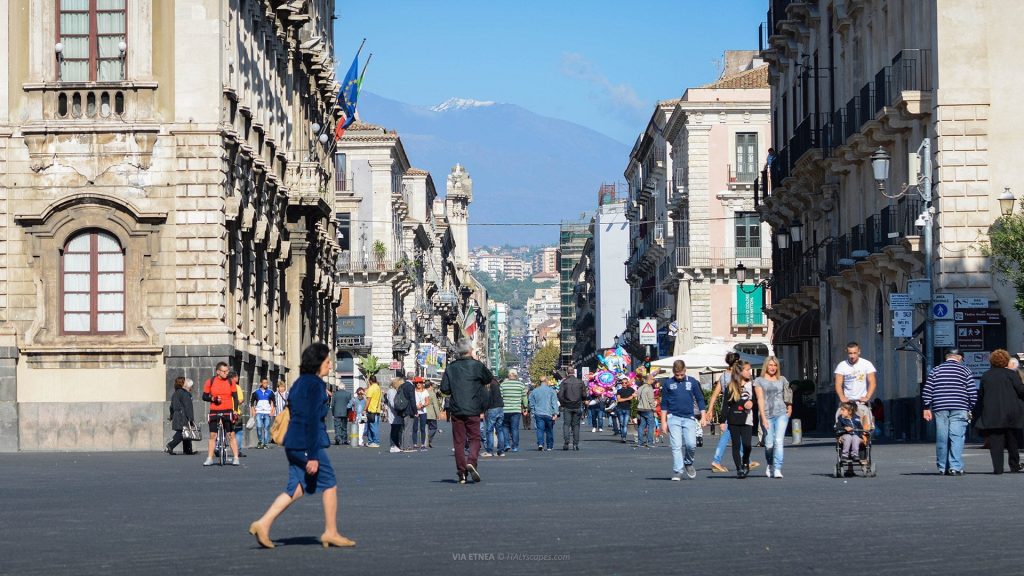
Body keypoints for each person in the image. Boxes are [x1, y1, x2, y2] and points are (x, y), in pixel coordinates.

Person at [248, 343, 355, 549]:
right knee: (329, 483)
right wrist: (313, 455)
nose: (330, 365)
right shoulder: (315, 385)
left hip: (293, 442)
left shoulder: (298, 383)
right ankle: (331, 532)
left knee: (296, 487)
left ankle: (263, 523)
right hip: (306, 443)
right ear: (318, 363)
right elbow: (312, 419)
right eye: (327, 361)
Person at [440, 338, 494, 484]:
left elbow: (444, 389)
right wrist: (477, 362)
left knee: (459, 441)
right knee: (475, 438)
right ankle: (471, 461)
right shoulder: (477, 365)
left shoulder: (451, 367)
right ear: (470, 350)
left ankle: (461, 473)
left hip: (457, 409)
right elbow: (488, 378)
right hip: (473, 408)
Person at [921, 349, 976, 475]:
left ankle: (942, 467)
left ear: (947, 357)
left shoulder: (936, 370)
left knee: (942, 436)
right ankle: (954, 467)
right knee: (956, 437)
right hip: (960, 407)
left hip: (940, 407)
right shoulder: (965, 370)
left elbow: (928, 389)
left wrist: (926, 407)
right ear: (960, 358)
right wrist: (970, 407)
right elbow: (972, 392)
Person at [703, 352, 760, 473]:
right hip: (734, 410)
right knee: (729, 437)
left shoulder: (723, 376)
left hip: (729, 410)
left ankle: (745, 460)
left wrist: (710, 409)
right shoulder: (737, 376)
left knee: (735, 438)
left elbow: (715, 394)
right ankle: (717, 460)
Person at [974, 349, 1024, 474]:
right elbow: (1021, 391)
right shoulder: (1011, 374)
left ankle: (998, 468)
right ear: (1006, 361)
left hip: (993, 414)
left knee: (996, 442)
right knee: (1012, 441)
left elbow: (981, 395)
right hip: (1012, 413)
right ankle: (1014, 465)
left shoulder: (986, 375)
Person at [659, 360, 705, 480]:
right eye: (677, 375)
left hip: (689, 417)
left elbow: (700, 398)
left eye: (681, 374)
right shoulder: (668, 383)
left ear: (685, 370)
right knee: (676, 445)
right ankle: (678, 471)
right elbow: (664, 404)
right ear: (673, 372)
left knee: (691, 444)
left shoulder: (692, 382)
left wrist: (703, 416)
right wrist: (663, 422)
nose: (679, 377)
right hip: (673, 417)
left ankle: (688, 463)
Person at [753, 356, 792, 479]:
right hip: (767, 415)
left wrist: (789, 407)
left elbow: (788, 394)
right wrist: (763, 417)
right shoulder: (759, 381)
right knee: (769, 443)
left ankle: (778, 468)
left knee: (779, 441)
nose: (773, 367)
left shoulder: (782, 379)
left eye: (775, 365)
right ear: (766, 366)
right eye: (770, 365)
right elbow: (760, 399)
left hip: (781, 413)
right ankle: (770, 464)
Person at [202, 362, 240, 466]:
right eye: (224, 371)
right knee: (212, 435)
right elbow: (204, 397)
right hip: (214, 410)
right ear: (218, 371)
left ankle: (236, 458)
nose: (226, 373)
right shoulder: (210, 381)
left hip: (228, 410)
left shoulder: (230, 381)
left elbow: (235, 397)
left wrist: (235, 410)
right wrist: (213, 399)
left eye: (227, 371)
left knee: (231, 434)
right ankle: (209, 458)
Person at [723, 361, 755, 479]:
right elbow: (725, 405)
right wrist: (722, 420)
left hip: (747, 419)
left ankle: (745, 461)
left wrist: (752, 402)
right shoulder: (731, 386)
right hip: (734, 419)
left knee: (747, 445)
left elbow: (757, 399)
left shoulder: (752, 385)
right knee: (736, 445)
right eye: (747, 370)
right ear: (740, 371)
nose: (750, 372)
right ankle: (739, 469)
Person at [834, 341, 876, 428]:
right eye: (850, 353)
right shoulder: (842, 365)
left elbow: (872, 382)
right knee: (839, 417)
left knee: (865, 425)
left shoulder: (866, 364)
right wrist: (842, 397)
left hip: (861, 402)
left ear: (859, 352)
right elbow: (838, 384)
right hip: (847, 402)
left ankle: (865, 435)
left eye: (854, 353)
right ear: (847, 352)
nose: (852, 356)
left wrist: (867, 397)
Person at [166, 377, 197, 455]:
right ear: (183, 384)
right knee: (182, 432)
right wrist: (191, 419)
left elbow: (171, 407)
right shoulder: (185, 393)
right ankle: (170, 445)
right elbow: (188, 407)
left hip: (177, 414)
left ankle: (188, 450)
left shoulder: (175, 393)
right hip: (183, 415)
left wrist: (171, 415)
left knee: (186, 432)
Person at [500, 369, 529, 453]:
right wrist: (525, 407)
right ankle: (515, 446)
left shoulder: (503, 385)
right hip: (516, 410)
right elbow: (524, 397)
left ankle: (507, 444)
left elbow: (500, 397)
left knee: (505, 427)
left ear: (508, 375)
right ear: (516, 376)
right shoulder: (520, 385)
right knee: (515, 428)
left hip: (505, 410)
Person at [557, 370, 587, 451]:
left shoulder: (564, 382)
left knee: (566, 424)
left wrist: (563, 403)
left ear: (567, 373)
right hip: (577, 405)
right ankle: (575, 444)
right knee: (576, 425)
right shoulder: (580, 382)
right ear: (574, 373)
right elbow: (584, 395)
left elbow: (560, 395)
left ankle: (566, 442)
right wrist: (581, 399)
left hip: (567, 406)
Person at [529, 376, 559, 450]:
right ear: (546, 381)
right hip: (549, 413)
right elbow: (554, 403)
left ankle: (540, 444)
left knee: (540, 429)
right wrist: (556, 413)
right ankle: (549, 446)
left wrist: (533, 411)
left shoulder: (535, 391)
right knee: (549, 430)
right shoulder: (551, 391)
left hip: (538, 413)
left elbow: (531, 402)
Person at [250, 378, 277, 449]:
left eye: (266, 383)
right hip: (259, 412)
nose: (266, 384)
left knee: (266, 428)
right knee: (259, 427)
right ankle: (260, 442)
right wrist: (253, 410)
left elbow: (274, 402)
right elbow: (251, 402)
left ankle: (266, 443)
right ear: (261, 383)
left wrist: (273, 411)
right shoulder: (256, 392)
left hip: (267, 412)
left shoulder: (270, 392)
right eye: (264, 383)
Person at [482, 378, 506, 457]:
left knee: (489, 430)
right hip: (500, 408)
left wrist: (483, 409)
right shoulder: (496, 384)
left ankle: (489, 451)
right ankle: (501, 451)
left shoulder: (488, 386)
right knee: (500, 430)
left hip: (492, 409)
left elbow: (486, 399)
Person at [635, 374, 657, 448]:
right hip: (648, 408)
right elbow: (651, 400)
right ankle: (650, 442)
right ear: (649, 379)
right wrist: (654, 409)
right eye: (653, 379)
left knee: (641, 425)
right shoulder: (649, 388)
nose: (654, 380)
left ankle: (640, 442)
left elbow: (638, 398)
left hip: (640, 408)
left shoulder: (640, 388)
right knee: (651, 426)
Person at [386, 378, 406, 453]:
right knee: (395, 430)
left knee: (398, 430)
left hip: (397, 415)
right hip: (394, 414)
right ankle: (393, 445)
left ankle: (397, 445)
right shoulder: (391, 391)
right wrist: (400, 408)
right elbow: (393, 403)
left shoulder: (395, 391)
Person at [230, 373, 247, 458]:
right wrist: (242, 400)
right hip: (236, 412)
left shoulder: (225, 386)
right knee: (238, 431)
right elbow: (240, 400)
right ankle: (238, 450)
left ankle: (219, 447)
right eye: (237, 377)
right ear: (234, 377)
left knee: (226, 431)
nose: (238, 378)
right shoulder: (237, 387)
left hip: (226, 411)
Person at [614, 376, 635, 444]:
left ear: (627, 383)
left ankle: (624, 437)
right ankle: (622, 436)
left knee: (625, 424)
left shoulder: (631, 389)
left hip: (627, 409)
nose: (624, 384)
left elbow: (636, 394)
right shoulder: (619, 390)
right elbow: (619, 400)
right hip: (620, 409)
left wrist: (633, 396)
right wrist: (628, 398)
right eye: (622, 383)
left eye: (625, 383)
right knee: (621, 423)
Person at [363, 376, 382, 448]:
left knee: (373, 427)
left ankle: (376, 442)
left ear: (370, 381)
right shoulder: (378, 388)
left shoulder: (371, 388)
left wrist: (364, 409)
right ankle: (370, 441)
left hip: (372, 410)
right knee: (372, 426)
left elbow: (368, 400)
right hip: (377, 409)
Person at [412, 377, 429, 450]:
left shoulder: (425, 391)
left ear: (422, 383)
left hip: (423, 411)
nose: (418, 384)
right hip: (415, 411)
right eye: (416, 383)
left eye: (419, 382)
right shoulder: (413, 391)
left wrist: (422, 405)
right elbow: (411, 400)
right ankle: (415, 444)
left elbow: (427, 401)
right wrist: (416, 406)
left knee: (422, 428)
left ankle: (422, 444)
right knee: (415, 428)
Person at [424, 382, 441, 448]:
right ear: (430, 386)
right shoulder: (432, 393)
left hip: (423, 412)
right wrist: (438, 414)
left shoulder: (423, 392)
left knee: (425, 428)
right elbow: (435, 405)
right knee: (434, 427)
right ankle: (428, 439)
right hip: (431, 413)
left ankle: (425, 441)